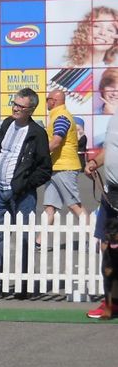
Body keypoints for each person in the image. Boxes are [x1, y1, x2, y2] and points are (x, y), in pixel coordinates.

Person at [0, 88, 52, 299]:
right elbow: (2, 156)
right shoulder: (7, 124)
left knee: (24, 238)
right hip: (1, 191)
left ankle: (24, 284)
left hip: (22, 195)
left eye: (20, 106)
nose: (15, 108)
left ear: (30, 109)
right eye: (14, 104)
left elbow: (45, 169)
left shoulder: (37, 133)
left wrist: (23, 185)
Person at [37, 90, 88, 248]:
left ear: (54, 101)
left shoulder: (62, 117)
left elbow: (56, 141)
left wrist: (39, 157)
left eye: (47, 99)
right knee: (50, 206)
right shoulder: (57, 116)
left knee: (74, 206)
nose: (46, 102)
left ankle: (95, 238)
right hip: (56, 167)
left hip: (64, 167)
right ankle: (39, 242)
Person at [83, 111, 118, 318]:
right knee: (107, 246)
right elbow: (110, 150)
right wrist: (95, 162)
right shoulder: (114, 117)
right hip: (111, 190)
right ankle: (112, 303)